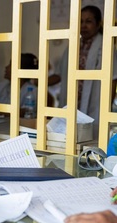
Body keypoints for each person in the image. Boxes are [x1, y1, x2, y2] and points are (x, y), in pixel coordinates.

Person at [51, 5, 117, 138]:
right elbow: (59, 74)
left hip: (95, 103)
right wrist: (35, 80)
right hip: (73, 103)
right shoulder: (73, 46)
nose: (83, 25)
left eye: (88, 21)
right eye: (80, 21)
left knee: (91, 141)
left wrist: (106, 108)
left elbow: (113, 79)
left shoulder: (107, 47)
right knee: (69, 138)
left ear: (98, 24)